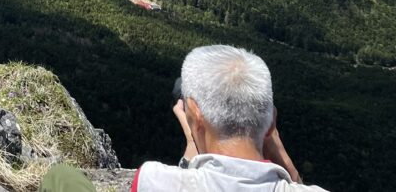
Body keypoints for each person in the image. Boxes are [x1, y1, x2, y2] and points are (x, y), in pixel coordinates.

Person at [40, 45, 330, 191]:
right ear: (270, 124)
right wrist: (280, 154)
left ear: (195, 115)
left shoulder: (156, 180)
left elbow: (192, 179)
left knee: (61, 177)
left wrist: (194, 135)